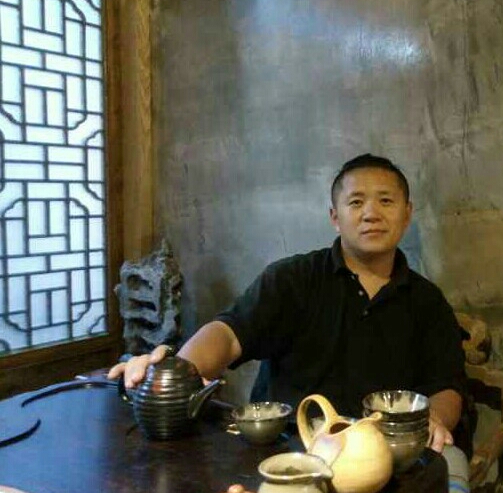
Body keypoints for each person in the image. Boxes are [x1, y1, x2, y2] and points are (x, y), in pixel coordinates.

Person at [108, 153, 472, 458]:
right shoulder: (293, 279)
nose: (371, 213)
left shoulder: (427, 301)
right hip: (287, 447)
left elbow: (447, 385)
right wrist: (176, 373)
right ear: (335, 217)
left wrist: (435, 420)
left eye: (386, 201)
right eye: (356, 202)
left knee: (449, 469)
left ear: (407, 215)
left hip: (383, 453)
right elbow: (229, 333)